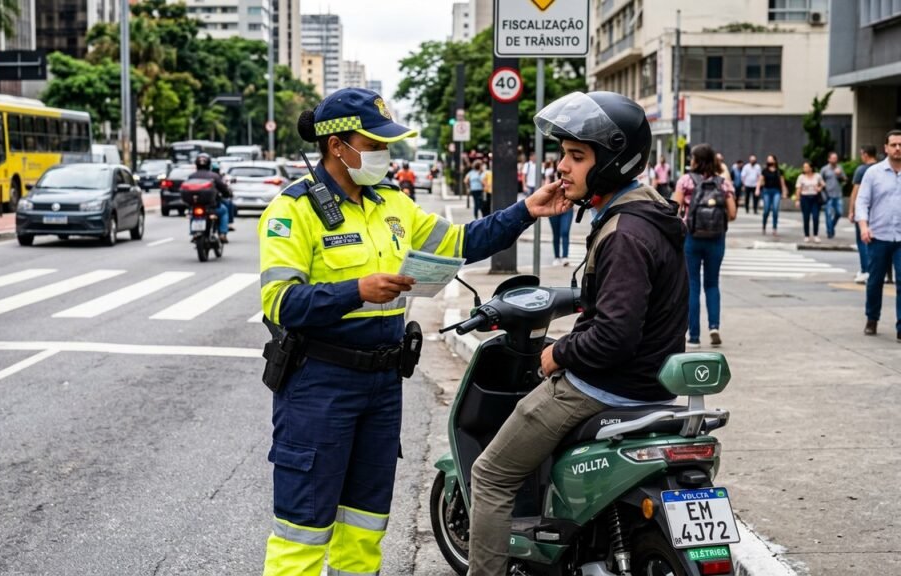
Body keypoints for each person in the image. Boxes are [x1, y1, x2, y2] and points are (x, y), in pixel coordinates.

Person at [257, 87, 570, 576]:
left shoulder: (392, 204)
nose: (383, 153)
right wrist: (355, 289)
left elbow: (463, 242)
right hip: (319, 385)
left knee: (365, 527)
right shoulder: (293, 209)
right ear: (338, 145)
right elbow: (280, 303)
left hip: (382, 385)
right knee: (303, 529)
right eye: (374, 144)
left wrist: (526, 210)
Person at [467, 91, 688, 576]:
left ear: (610, 161)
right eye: (563, 154)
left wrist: (558, 354)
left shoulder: (624, 233)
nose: (562, 167)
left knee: (490, 475)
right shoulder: (650, 213)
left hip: (602, 385)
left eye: (577, 156)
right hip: (653, 384)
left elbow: (613, 335)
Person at [673, 143, 737, 348]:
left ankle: (693, 336)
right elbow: (733, 214)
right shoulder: (723, 183)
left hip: (691, 238)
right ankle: (714, 327)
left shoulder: (686, 181)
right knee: (712, 283)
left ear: (696, 160)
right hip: (716, 239)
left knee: (692, 284)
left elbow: (674, 209)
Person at [855, 129, 901, 341]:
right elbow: (862, 201)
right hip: (878, 236)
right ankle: (872, 318)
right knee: (875, 282)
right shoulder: (873, 173)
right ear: (886, 148)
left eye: (900, 145)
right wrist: (864, 227)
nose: (898, 148)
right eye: (893, 145)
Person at [849, 145, 879, 284]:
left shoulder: (862, 170)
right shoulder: (881, 168)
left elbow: (856, 192)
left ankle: (866, 270)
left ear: (865, 154)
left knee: (863, 241)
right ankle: (877, 271)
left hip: (864, 212)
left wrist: (851, 210)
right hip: (878, 212)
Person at [187, 153, 230, 243]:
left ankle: (193, 232)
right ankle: (222, 233)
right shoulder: (214, 176)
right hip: (212, 207)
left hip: (196, 206)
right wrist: (227, 194)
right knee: (224, 211)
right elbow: (223, 189)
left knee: (193, 213)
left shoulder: (191, 176)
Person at [794, 161, 825, 243]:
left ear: (811, 168)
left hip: (815, 198)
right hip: (805, 198)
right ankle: (806, 235)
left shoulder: (817, 176)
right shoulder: (801, 177)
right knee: (806, 217)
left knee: (815, 217)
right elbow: (798, 189)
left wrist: (819, 188)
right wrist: (797, 199)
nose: (805, 169)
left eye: (806, 167)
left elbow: (823, 184)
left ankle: (816, 235)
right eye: (804, 167)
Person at [758, 154, 788, 236]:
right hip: (767, 191)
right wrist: (757, 189)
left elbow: (782, 183)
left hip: (776, 191)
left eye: (770, 159)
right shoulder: (765, 170)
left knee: (775, 209)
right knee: (766, 210)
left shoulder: (779, 171)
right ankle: (764, 226)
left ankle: (774, 228)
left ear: (774, 161)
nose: (769, 161)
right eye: (768, 159)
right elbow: (760, 180)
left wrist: (784, 192)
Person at [820, 151, 846, 239]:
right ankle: (830, 232)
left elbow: (845, 180)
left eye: (836, 158)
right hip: (828, 195)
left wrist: (840, 175)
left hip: (838, 194)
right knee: (828, 214)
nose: (835, 159)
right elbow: (820, 180)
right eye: (833, 158)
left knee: (839, 213)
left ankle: (832, 226)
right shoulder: (824, 169)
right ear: (829, 159)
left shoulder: (840, 168)